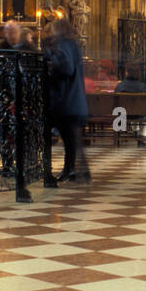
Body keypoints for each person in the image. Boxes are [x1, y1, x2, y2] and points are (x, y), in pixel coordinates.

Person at [44, 17, 90, 182]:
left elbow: (66, 68)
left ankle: (64, 170)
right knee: (70, 138)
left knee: (64, 137)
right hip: (73, 100)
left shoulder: (62, 45)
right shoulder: (73, 45)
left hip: (64, 99)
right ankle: (70, 170)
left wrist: (50, 63)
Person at [0, 19, 35, 177]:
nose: (11, 36)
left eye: (14, 32)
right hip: (5, 96)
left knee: (24, 131)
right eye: (8, 33)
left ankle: (25, 163)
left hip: (25, 98)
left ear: (19, 32)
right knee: (4, 131)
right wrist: (3, 97)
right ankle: (7, 164)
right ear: (5, 33)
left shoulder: (29, 48)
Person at [115, 65, 146, 145]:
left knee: (128, 109)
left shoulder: (120, 85)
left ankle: (132, 132)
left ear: (127, 73)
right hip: (139, 114)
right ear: (138, 73)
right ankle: (141, 137)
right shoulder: (143, 86)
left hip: (121, 115)